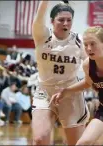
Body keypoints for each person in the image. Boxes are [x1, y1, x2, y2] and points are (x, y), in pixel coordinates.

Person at [31, 1, 89, 145]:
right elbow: (39, 16)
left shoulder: (79, 41)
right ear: (52, 21)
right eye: (61, 20)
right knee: (39, 139)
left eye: (69, 20)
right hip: (45, 91)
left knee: (76, 143)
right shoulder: (42, 35)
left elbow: (92, 65)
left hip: (70, 94)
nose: (65, 23)